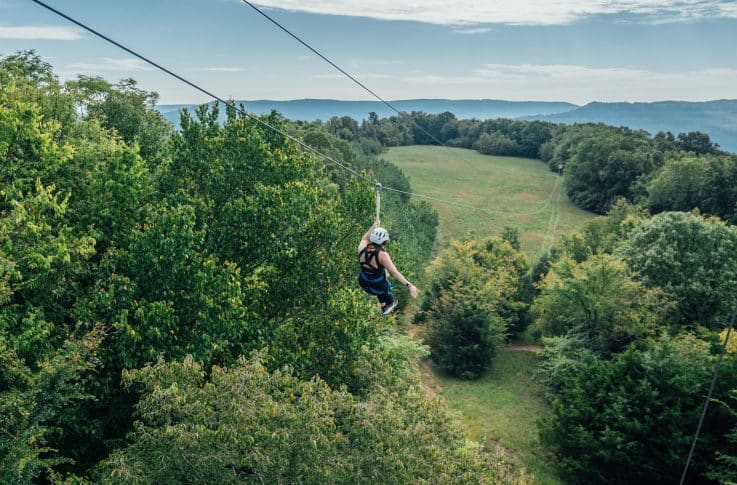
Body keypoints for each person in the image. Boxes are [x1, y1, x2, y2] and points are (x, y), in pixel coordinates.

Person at [357, 221, 419, 315]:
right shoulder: (382, 255)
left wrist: (372, 227)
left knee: (380, 275)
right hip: (377, 287)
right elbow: (395, 272)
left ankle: (383, 305)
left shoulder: (361, 248)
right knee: (384, 276)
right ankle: (390, 302)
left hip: (364, 283)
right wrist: (409, 286)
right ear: (384, 242)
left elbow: (365, 238)